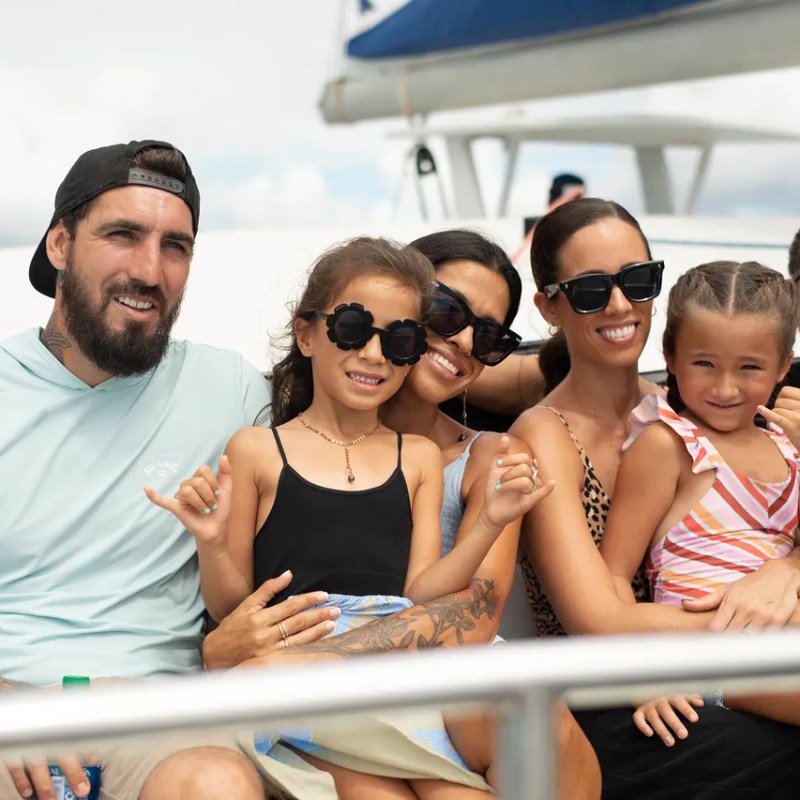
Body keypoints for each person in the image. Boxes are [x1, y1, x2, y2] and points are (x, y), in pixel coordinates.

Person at [149, 236, 551, 799]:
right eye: (352, 329)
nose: (373, 354)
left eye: (400, 340)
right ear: (307, 333)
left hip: (391, 678)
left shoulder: (416, 460)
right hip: (300, 676)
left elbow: (422, 589)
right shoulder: (255, 448)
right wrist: (213, 544)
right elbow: (232, 608)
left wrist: (486, 523)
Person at [0, 140, 337, 800]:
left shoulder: (232, 392)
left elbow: (362, 401)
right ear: (60, 244)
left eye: (175, 246)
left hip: (157, 721)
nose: (150, 270)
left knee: (216, 784)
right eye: (123, 235)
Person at [510, 197, 800, 799]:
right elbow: (597, 619)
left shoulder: (705, 402)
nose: (619, 305)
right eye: (590, 290)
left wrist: (787, 573)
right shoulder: (544, 434)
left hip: (731, 670)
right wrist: (759, 626)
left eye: (638, 281)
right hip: (617, 693)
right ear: (548, 306)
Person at [380, 229, 600, 799]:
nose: (462, 341)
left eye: (489, 335)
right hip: (359, 711)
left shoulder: (494, 458)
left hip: (470, 711)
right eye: (446, 310)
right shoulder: (288, 441)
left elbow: (473, 624)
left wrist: (299, 659)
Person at [602, 260, 800, 743]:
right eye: (704, 363)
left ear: (782, 366)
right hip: (713, 656)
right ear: (670, 355)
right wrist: (640, 676)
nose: (725, 388)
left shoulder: (787, 445)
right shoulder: (668, 444)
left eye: (750, 367)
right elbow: (611, 576)